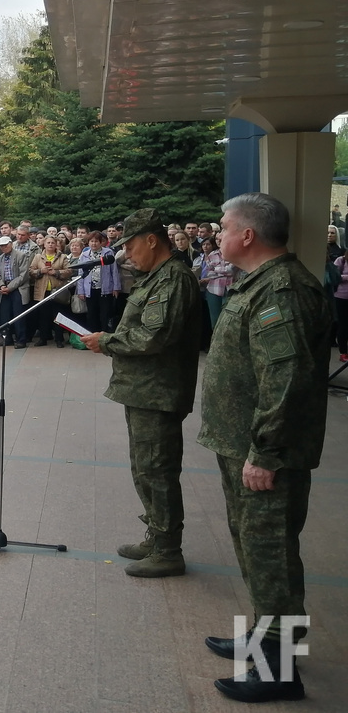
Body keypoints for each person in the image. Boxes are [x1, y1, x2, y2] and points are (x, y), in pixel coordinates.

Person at [198, 193, 331, 703]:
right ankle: (263, 638)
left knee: (271, 551)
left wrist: (266, 451)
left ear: (247, 235)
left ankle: (276, 672)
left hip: (264, 452)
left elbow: (287, 378)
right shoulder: (262, 284)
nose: (219, 233)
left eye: (224, 226)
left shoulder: (283, 291)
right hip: (244, 445)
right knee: (256, 547)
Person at [80, 209, 202, 578]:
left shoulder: (173, 280)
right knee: (145, 467)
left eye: (130, 246)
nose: (127, 255)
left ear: (152, 240)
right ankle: (156, 535)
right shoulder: (157, 277)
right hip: (143, 389)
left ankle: (168, 549)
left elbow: (154, 336)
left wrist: (108, 341)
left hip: (158, 391)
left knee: (158, 469)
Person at [0, 236, 30, 348]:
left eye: (5, 245)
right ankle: (7, 338)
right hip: (5, 289)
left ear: (11, 244)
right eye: (1, 246)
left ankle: (21, 339)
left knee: (18, 315)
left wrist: (10, 287)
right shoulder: (0, 258)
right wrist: (1, 286)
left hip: (18, 288)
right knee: (4, 315)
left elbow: (23, 275)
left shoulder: (21, 255)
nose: (4, 248)